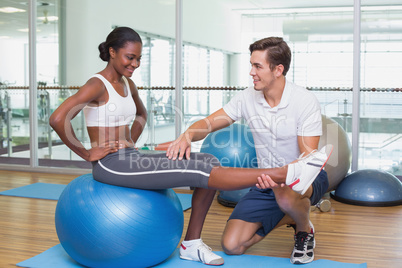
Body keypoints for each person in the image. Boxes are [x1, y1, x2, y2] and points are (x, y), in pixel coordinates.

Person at [49, 27, 331, 266]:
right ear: (112, 52)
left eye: (138, 59)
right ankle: (284, 173)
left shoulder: (126, 84)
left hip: (129, 156)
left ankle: (191, 243)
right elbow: (58, 117)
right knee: (202, 174)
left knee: (206, 159)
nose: (134, 64)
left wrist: (130, 142)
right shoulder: (95, 84)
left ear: (277, 69)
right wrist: (88, 153)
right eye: (129, 57)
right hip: (110, 165)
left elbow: (141, 115)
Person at [166, 37, 332, 264]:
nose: (251, 72)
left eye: (258, 66)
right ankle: (290, 217)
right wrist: (187, 135)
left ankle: (304, 229)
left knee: (285, 194)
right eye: (251, 65)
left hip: (303, 179)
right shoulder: (247, 97)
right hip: (265, 181)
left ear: (278, 70)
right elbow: (209, 123)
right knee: (233, 245)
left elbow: (308, 155)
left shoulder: (304, 101)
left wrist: (283, 177)